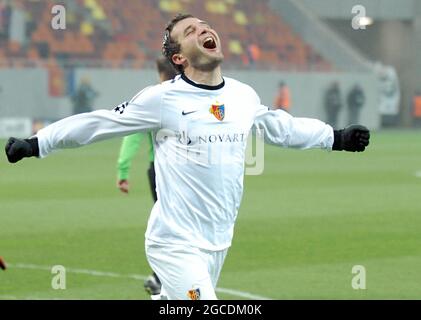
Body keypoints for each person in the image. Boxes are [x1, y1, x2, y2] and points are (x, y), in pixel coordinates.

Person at [5, 13, 370, 300]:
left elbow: (282, 128)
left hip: (219, 242)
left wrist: (335, 138)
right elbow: (97, 123)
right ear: (178, 57)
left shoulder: (242, 96)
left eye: (205, 25)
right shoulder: (162, 99)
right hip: (174, 243)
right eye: (192, 30)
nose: (204, 29)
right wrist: (38, 143)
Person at [116, 57, 178, 296]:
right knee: (179, 226)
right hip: (184, 172)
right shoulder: (192, 96)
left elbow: (132, 135)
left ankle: (162, 277)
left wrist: (123, 171)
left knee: (170, 225)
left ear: (158, 72)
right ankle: (162, 277)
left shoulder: (154, 98)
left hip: (160, 171)